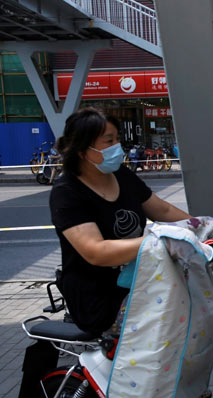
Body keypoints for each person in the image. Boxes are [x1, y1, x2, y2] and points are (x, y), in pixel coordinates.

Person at [49, 108, 192, 336]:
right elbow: (96, 251)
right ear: (82, 150)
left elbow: (162, 210)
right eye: (109, 141)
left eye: (117, 139)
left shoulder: (122, 176)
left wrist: (200, 226)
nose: (117, 147)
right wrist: (160, 240)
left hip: (139, 283)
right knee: (170, 328)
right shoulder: (67, 192)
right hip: (98, 300)